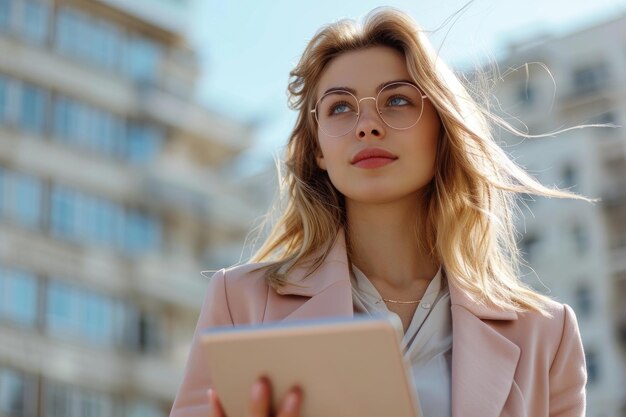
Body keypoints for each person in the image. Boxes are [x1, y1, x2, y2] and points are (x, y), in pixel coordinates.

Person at [170, 6, 589, 417]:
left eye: (397, 101)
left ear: (441, 128)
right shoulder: (240, 302)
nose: (367, 125)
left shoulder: (548, 334)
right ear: (318, 148)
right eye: (340, 107)